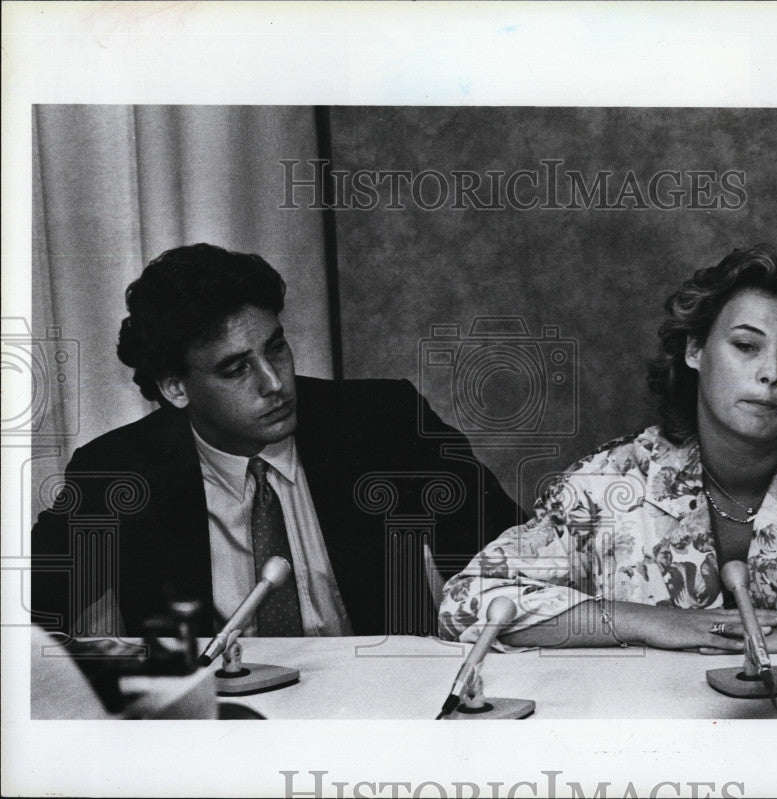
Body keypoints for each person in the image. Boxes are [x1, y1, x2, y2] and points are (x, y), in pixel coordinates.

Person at [438, 244, 777, 654]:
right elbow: (467, 602)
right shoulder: (611, 480)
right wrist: (647, 621)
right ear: (694, 349)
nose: (770, 375)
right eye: (746, 346)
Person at [31, 243, 524, 639]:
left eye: (276, 348)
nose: (274, 382)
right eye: (235, 368)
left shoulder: (382, 424)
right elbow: (25, 612)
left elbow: (516, 559)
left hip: (375, 715)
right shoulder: (122, 471)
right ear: (175, 387)